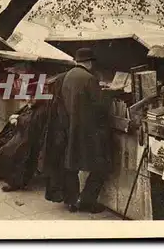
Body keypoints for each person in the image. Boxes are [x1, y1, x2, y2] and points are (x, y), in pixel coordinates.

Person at [58, 48, 112, 214]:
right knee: (101, 166)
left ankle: (71, 201)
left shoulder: (68, 76)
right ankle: (88, 202)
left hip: (71, 127)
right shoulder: (90, 78)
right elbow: (100, 106)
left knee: (71, 165)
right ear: (89, 62)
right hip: (89, 131)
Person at [0, 96, 50, 192]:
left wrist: (18, 120)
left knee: (9, 150)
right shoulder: (30, 106)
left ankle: (14, 182)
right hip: (18, 135)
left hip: (29, 140)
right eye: (28, 96)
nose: (29, 99)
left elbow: (33, 126)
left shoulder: (42, 110)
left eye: (33, 97)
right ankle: (1, 172)